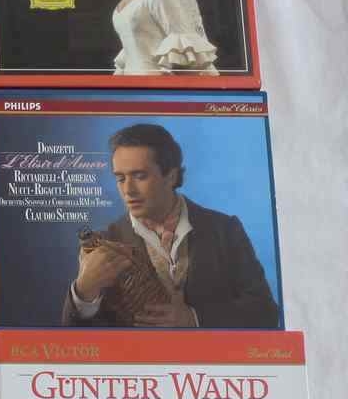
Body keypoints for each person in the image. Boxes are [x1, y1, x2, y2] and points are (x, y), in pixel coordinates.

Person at [63, 124, 278, 328]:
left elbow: (266, 312)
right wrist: (83, 292)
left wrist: (194, 318)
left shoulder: (225, 230)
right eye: (120, 178)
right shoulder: (106, 242)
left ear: (171, 176)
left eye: (140, 176)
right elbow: (75, 342)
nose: (128, 190)